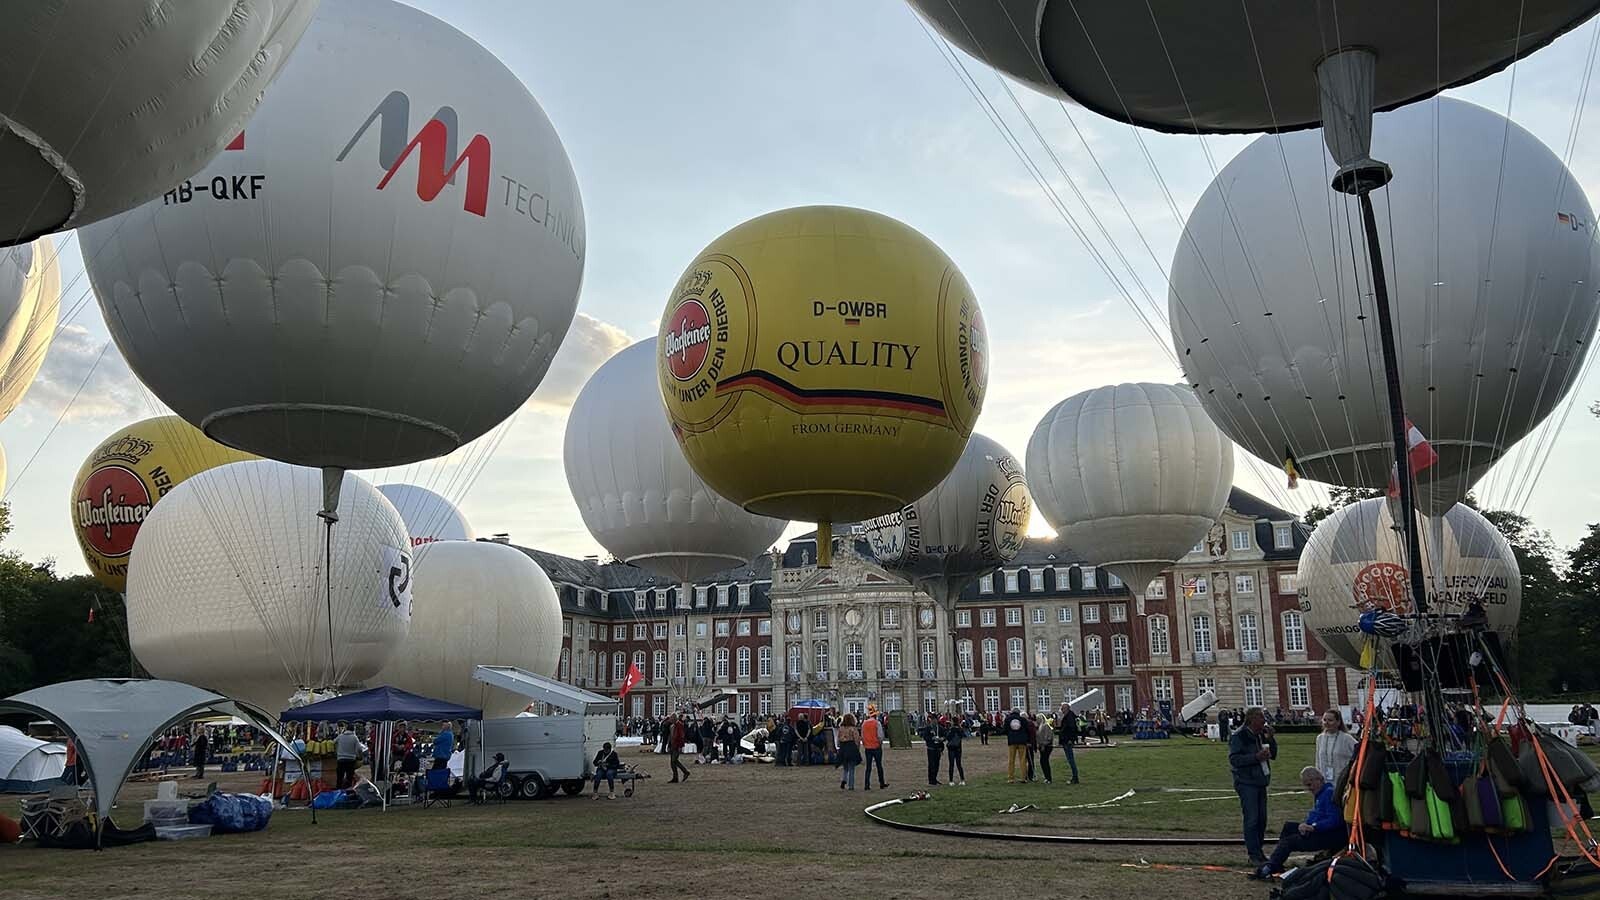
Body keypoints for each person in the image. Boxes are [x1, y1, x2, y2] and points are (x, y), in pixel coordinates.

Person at [1252, 767, 1346, 879]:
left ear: (1319, 780)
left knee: (1289, 842)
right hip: (1319, 830)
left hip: (1327, 834)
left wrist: (1313, 827)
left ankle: (1269, 868)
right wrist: (1306, 825)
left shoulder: (1329, 794)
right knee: (1288, 827)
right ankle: (1276, 863)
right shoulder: (1322, 793)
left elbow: (1335, 820)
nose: (1308, 789)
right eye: (1306, 785)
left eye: (1310, 784)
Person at [1229, 707, 1279, 867]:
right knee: (1252, 819)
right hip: (1246, 782)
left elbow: (1274, 754)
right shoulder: (1239, 736)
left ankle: (1259, 851)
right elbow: (1235, 759)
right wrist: (1255, 757)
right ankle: (1254, 854)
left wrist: (1271, 739)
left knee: (1262, 819)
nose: (1264, 721)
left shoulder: (1260, 734)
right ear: (1252, 720)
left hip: (1260, 781)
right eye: (1261, 718)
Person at [1315, 709, 1357, 783]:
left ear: (1338, 722)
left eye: (1330, 720)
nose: (1327, 723)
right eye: (1324, 720)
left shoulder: (1346, 738)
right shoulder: (1320, 738)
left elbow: (1359, 752)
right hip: (1324, 780)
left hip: (1342, 781)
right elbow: (1318, 760)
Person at [334, 722, 368, 789]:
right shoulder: (354, 738)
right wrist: (360, 756)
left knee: (339, 777)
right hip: (350, 760)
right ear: (353, 730)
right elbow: (359, 749)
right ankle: (348, 791)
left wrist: (337, 751)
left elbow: (333, 742)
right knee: (349, 777)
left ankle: (338, 791)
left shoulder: (340, 736)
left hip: (340, 759)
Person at [860, 710, 887, 790]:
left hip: (868, 747)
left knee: (868, 767)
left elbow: (862, 735)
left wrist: (865, 743)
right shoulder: (877, 723)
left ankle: (867, 784)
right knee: (879, 766)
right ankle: (881, 783)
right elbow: (880, 736)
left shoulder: (864, 724)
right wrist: (880, 743)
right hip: (876, 747)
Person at [1056, 703, 1081, 784]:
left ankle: (1075, 777)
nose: (1061, 709)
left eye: (1062, 708)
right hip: (1066, 739)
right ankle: (1074, 777)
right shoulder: (1069, 716)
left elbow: (1072, 728)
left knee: (1071, 759)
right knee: (1070, 759)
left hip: (1067, 740)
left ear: (1066, 708)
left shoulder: (1069, 717)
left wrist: (1070, 739)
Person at [836, 714, 862, 791]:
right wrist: (857, 748)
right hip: (851, 747)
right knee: (851, 768)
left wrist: (839, 747)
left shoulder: (841, 728)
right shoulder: (853, 729)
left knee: (845, 767)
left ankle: (844, 780)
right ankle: (851, 785)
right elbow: (857, 739)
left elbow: (838, 739)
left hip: (843, 747)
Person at [1004, 707, 1029, 783]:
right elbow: (1026, 730)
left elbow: (1005, 730)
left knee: (1011, 760)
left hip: (1012, 741)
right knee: (1022, 760)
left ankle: (1011, 778)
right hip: (1022, 741)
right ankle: (1023, 777)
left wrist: (1010, 734)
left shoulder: (1008, 719)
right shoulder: (1023, 720)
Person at [919, 717, 944, 786]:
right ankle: (931, 780)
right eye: (933, 720)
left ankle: (935, 779)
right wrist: (931, 738)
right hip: (931, 748)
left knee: (937, 765)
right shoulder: (928, 728)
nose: (934, 721)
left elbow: (944, 735)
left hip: (938, 748)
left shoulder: (940, 728)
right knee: (931, 765)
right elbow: (925, 737)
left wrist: (942, 739)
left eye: (935, 719)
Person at [667, 716, 691, 783]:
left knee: (674, 760)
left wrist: (680, 746)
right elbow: (671, 736)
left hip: (677, 745)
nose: (670, 720)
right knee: (672, 762)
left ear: (674, 719)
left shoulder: (679, 725)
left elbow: (681, 736)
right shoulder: (672, 726)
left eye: (671, 719)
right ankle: (675, 777)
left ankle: (685, 772)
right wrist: (669, 745)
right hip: (672, 745)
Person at [944, 715, 966, 785]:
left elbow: (948, 737)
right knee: (959, 764)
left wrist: (947, 729)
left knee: (951, 764)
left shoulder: (952, 729)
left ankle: (951, 780)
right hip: (958, 748)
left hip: (951, 748)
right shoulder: (960, 729)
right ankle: (962, 780)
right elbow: (963, 736)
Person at [1035, 713, 1055, 784]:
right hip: (1042, 746)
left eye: (1037, 719)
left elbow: (1048, 737)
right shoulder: (1040, 726)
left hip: (1047, 746)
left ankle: (1048, 778)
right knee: (1042, 761)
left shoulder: (1046, 726)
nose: (1036, 721)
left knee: (1044, 761)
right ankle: (1046, 777)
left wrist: (1043, 744)